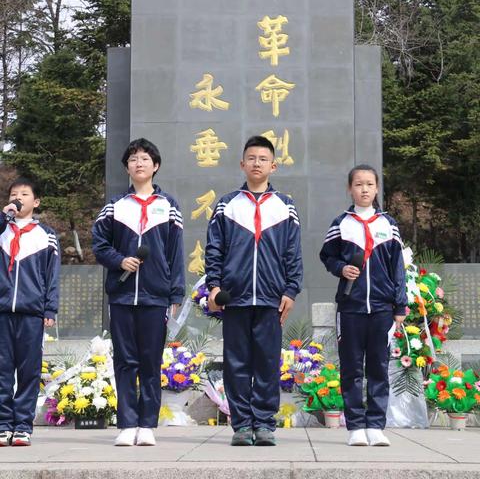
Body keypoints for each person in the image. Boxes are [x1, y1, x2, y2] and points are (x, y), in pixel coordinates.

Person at [205, 135, 303, 446]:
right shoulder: (226, 204)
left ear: (273, 165)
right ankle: (242, 426)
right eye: (251, 158)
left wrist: (290, 290)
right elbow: (214, 250)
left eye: (263, 158)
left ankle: (264, 425)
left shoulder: (285, 206)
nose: (257, 163)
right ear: (242, 163)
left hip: (272, 299)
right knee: (236, 363)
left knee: (267, 363)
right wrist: (214, 286)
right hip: (235, 298)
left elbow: (293, 252)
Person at [92, 138, 185, 447]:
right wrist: (120, 261)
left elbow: (175, 254)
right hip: (121, 296)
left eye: (145, 159)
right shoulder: (115, 206)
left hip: (155, 296)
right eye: (133, 159)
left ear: (155, 166)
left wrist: (175, 294)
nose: (139, 163)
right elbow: (99, 244)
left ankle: (147, 423)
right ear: (127, 167)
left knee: (150, 360)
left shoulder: (169, 206)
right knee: (124, 361)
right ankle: (127, 423)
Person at [319, 164, 407, 447]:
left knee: (379, 367)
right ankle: (355, 426)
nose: (364, 189)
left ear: (377, 188)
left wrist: (400, 306)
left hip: (382, 309)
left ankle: (376, 426)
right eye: (358, 184)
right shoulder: (341, 223)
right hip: (351, 307)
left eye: (370, 184)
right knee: (352, 368)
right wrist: (342, 268)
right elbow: (327, 256)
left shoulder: (388, 224)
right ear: (350, 189)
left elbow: (398, 269)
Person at [0, 177, 60, 447]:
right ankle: (3, 424)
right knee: (1, 369)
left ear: (36, 202)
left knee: (28, 371)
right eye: (14, 194)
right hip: (2, 312)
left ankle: (23, 425)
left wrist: (50, 307)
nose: (18, 197)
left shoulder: (46, 235)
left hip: (32, 313)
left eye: (24, 194)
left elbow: (52, 275)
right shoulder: (2, 231)